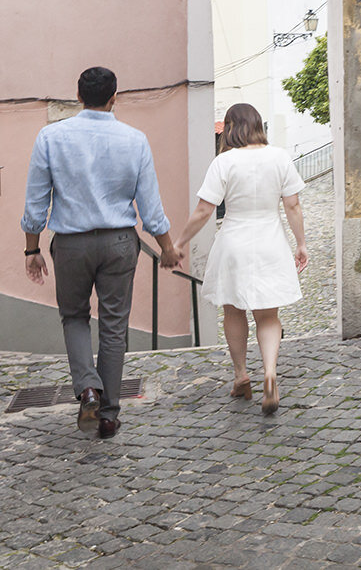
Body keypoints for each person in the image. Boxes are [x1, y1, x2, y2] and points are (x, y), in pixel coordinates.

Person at [21, 66, 179, 439]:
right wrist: (167, 248)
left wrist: (32, 248)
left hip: (72, 244)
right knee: (113, 327)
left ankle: (87, 388)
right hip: (120, 243)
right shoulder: (135, 140)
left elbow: (35, 202)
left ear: (78, 96)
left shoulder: (50, 137)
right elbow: (151, 208)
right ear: (114, 98)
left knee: (74, 316)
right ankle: (108, 415)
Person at [175, 102, 308, 416]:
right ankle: (270, 374)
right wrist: (301, 243)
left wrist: (180, 241)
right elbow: (293, 206)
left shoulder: (224, 162)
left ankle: (241, 376)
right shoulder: (279, 157)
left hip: (234, 241)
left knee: (233, 310)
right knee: (268, 315)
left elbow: (205, 210)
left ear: (232, 128)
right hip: (270, 241)